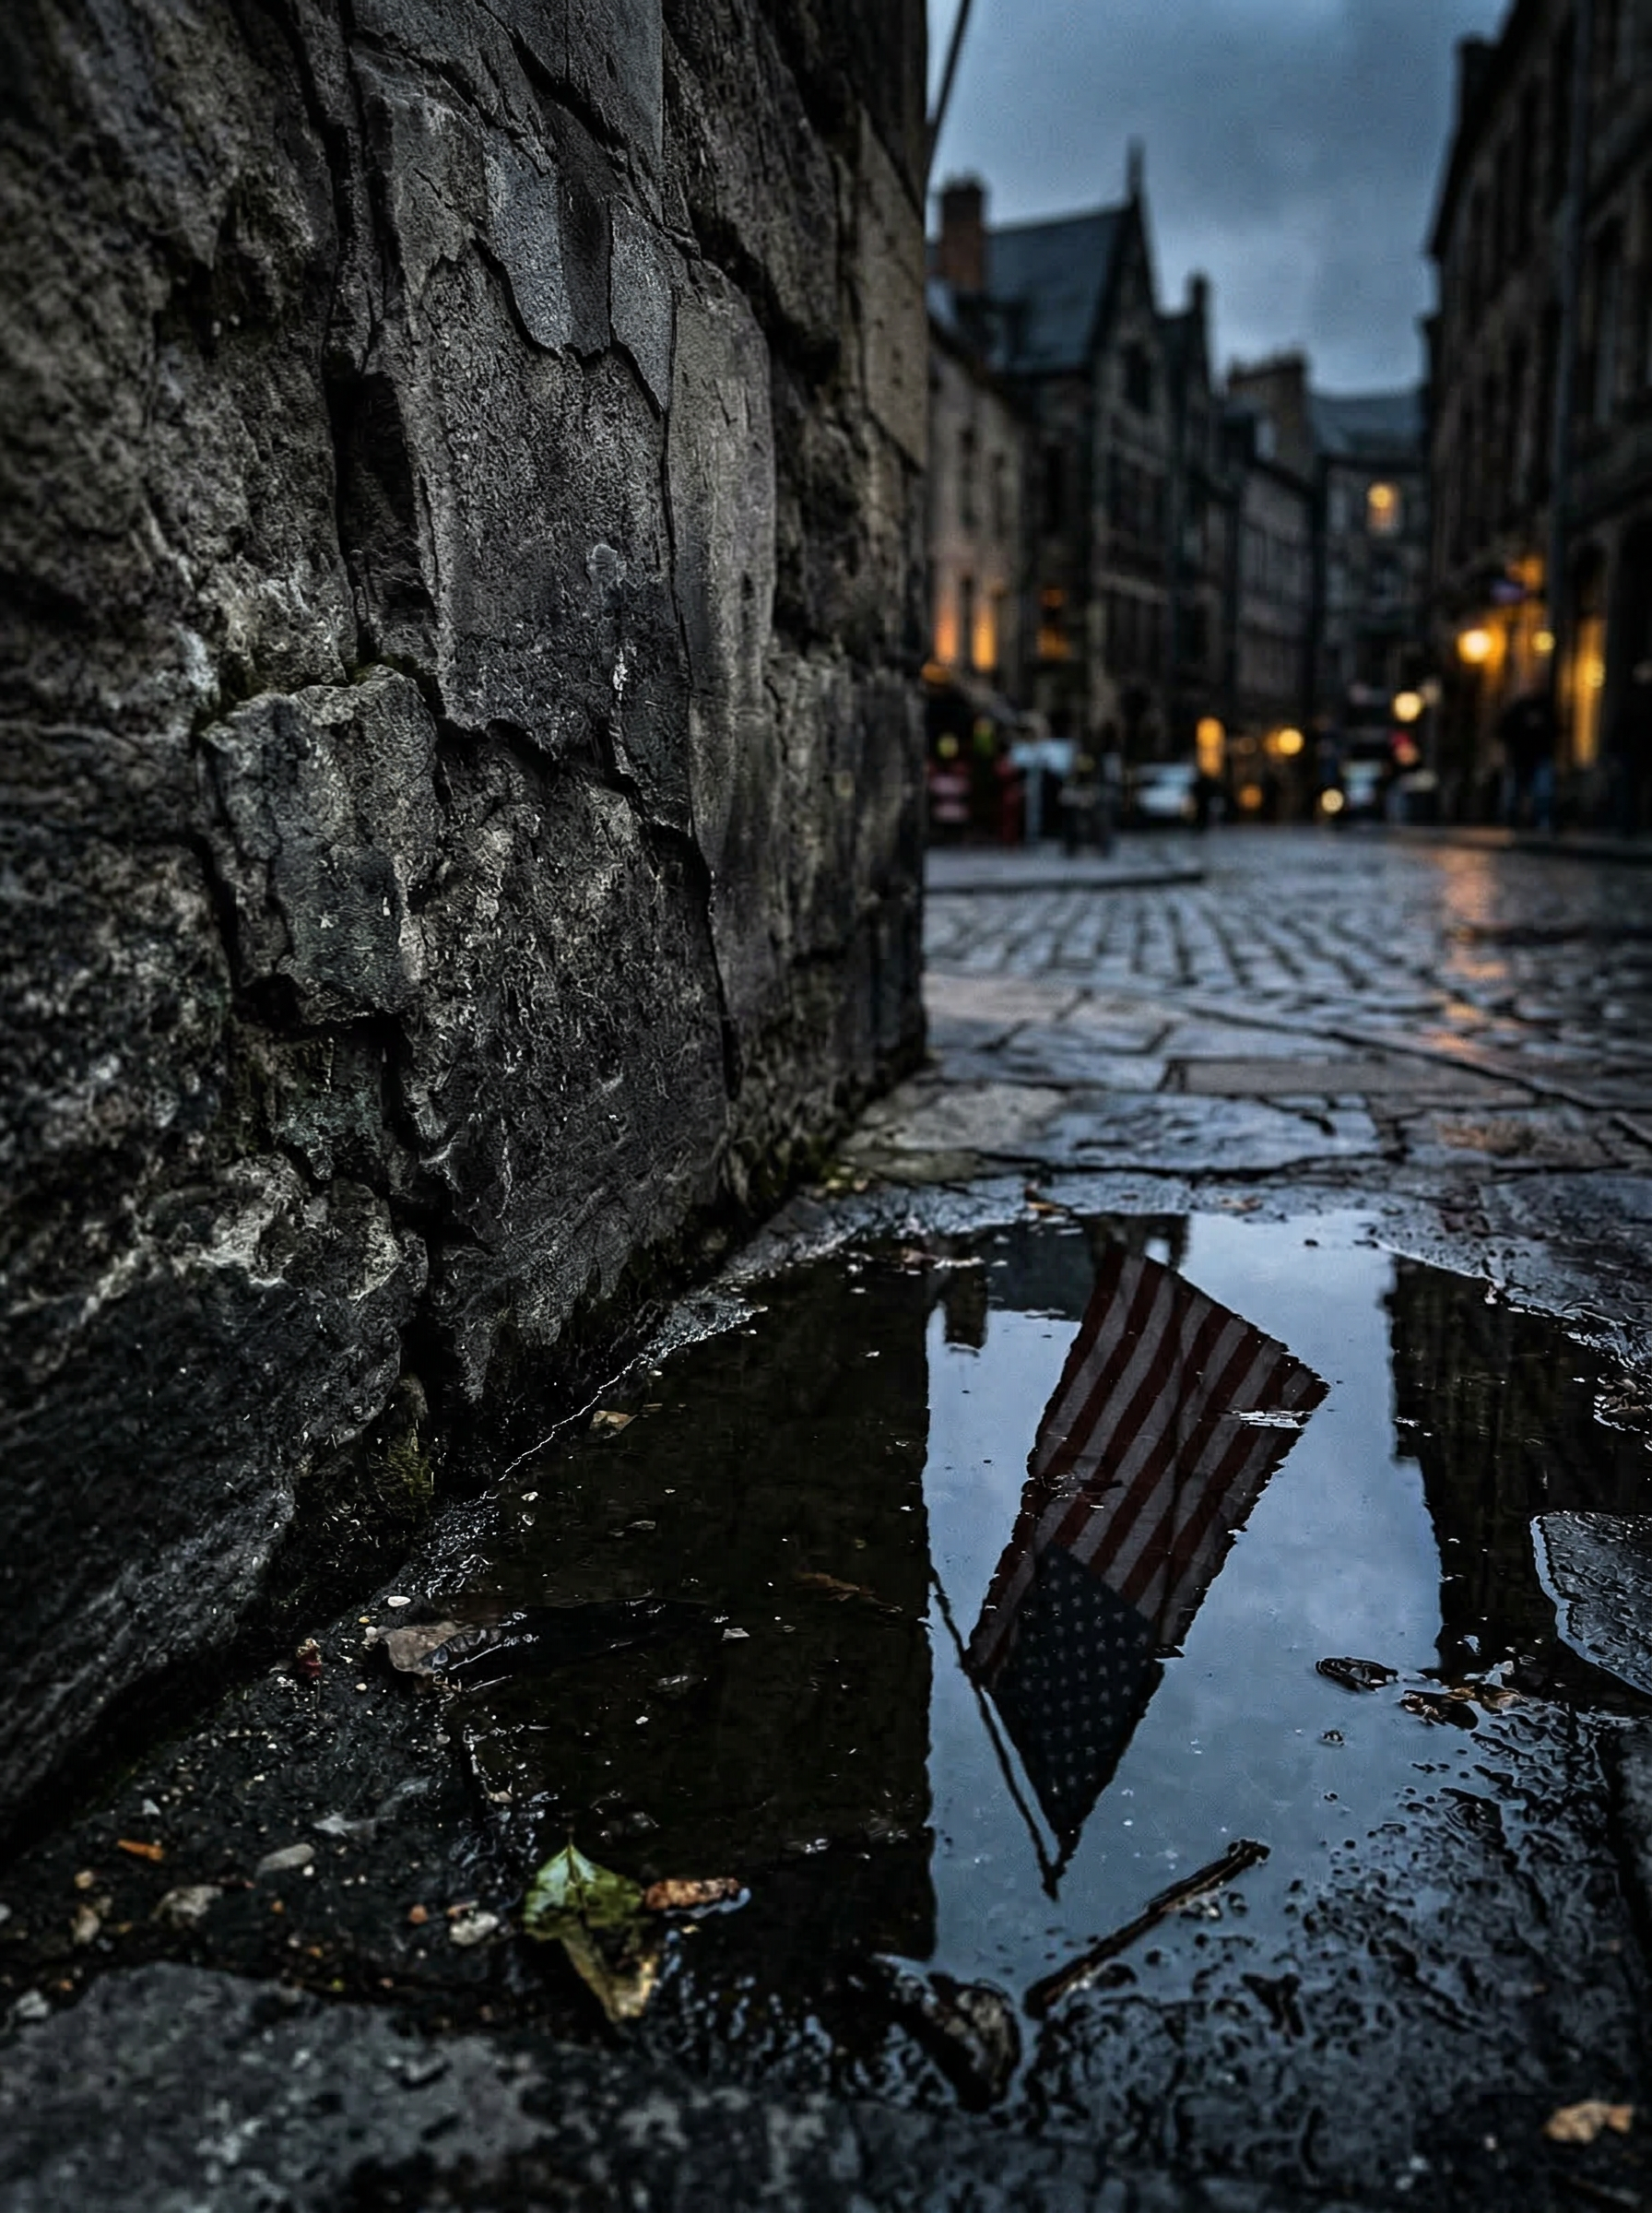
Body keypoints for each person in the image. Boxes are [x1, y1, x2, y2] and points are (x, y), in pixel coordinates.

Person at [1497, 688, 1557, 832]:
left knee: (1542, 792)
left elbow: (1556, 730)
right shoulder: (1519, 707)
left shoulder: (1547, 708)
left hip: (1541, 757)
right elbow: (1504, 729)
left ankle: (1541, 820)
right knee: (1516, 791)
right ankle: (1513, 820)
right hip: (1521, 757)